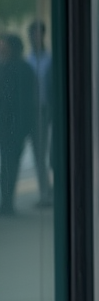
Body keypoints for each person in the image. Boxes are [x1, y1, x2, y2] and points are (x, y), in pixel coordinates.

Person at [0, 34, 38, 215]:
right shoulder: (6, 68)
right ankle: (6, 201)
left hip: (13, 126)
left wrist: (25, 127)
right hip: (8, 126)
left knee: (10, 165)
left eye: (4, 45)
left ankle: (7, 202)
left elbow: (27, 102)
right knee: (8, 165)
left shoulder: (22, 69)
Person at [25, 21, 52, 207]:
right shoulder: (28, 60)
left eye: (38, 33)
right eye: (32, 34)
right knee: (38, 152)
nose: (35, 37)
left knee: (49, 152)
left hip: (47, 109)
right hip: (32, 110)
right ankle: (45, 191)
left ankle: (49, 191)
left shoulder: (49, 59)